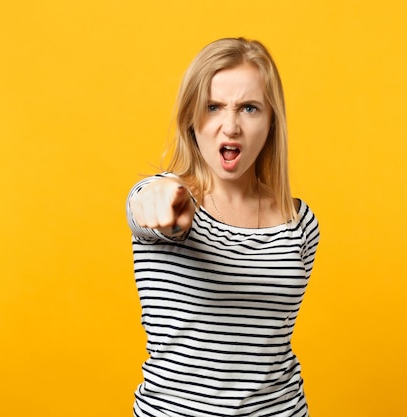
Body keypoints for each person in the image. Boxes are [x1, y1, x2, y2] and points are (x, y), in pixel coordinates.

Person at [126, 37, 320, 417]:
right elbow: (148, 207)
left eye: (249, 108)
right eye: (213, 107)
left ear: (271, 122)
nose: (230, 126)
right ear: (191, 119)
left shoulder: (300, 223)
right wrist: (162, 199)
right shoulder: (168, 198)